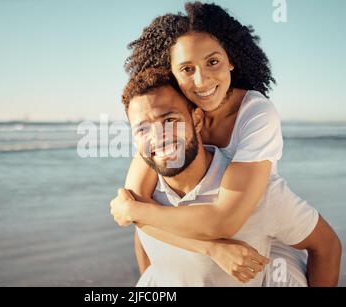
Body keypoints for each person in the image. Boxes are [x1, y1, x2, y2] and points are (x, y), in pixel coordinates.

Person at [111, 2, 332, 286]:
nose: (201, 80)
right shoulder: (174, 117)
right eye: (187, 69)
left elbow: (221, 221)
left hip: (252, 219)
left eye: (212, 62)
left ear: (231, 59)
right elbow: (138, 209)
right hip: (203, 224)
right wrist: (207, 249)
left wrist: (133, 209)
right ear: (173, 74)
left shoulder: (255, 114)